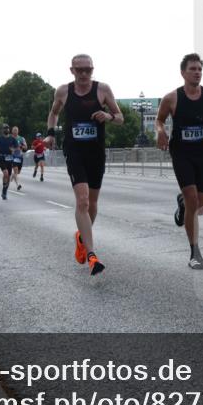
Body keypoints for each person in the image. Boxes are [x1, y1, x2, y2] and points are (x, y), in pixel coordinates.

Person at [45, 54, 123, 276]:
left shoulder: (102, 90)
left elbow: (120, 118)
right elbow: (53, 113)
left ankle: (81, 237)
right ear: (72, 70)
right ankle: (91, 255)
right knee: (83, 200)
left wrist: (108, 116)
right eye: (79, 69)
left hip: (95, 152)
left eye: (87, 69)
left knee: (93, 204)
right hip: (74, 151)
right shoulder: (63, 91)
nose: (83, 73)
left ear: (92, 70)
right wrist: (50, 134)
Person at [155, 53, 203, 270]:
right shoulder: (171, 98)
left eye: (199, 69)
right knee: (193, 198)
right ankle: (194, 253)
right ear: (183, 73)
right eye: (193, 69)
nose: (197, 72)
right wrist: (160, 132)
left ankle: (182, 204)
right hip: (182, 154)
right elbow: (159, 120)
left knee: (202, 206)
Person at [0, 124, 18, 200]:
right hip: (1, 158)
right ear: (2, 130)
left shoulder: (12, 139)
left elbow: (17, 147)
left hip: (9, 159)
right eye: (5, 128)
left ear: (9, 130)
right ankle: (4, 187)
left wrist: (13, 150)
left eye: (7, 128)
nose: (6, 129)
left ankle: (4, 191)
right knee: (6, 173)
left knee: (8, 176)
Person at [10, 126, 28, 191]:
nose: (15, 131)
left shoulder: (21, 138)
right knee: (16, 170)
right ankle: (18, 185)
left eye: (16, 130)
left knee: (18, 172)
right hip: (13, 157)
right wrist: (12, 149)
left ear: (18, 131)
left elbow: (26, 147)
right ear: (12, 131)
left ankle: (13, 175)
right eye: (14, 130)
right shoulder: (10, 138)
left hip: (20, 157)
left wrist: (22, 146)